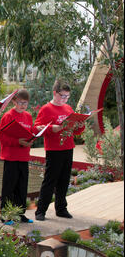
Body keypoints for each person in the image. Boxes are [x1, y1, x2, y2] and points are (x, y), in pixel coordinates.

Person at [33, 79, 85, 221]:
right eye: (62, 96)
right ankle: (41, 211)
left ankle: (61, 209)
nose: (65, 99)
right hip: (54, 149)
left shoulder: (68, 108)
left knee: (64, 180)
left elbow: (76, 132)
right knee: (50, 180)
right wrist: (52, 128)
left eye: (67, 97)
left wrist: (80, 125)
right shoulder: (46, 109)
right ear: (55, 93)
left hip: (68, 147)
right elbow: (37, 127)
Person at [0, 89, 34, 224]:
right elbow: (2, 136)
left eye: (25, 103)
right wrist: (17, 141)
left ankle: (19, 214)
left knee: (22, 187)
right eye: (20, 102)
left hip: (24, 156)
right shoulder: (8, 116)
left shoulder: (28, 116)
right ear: (14, 101)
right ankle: (5, 215)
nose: (23, 105)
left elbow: (29, 133)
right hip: (11, 156)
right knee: (9, 187)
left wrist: (31, 139)